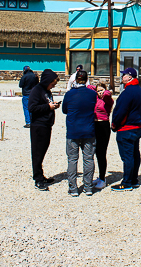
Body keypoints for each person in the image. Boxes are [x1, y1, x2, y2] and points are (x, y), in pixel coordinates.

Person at [62, 69, 97, 197]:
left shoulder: (70, 94)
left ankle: (73, 188)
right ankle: (88, 187)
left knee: (72, 159)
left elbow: (65, 110)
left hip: (73, 130)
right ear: (87, 80)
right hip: (88, 129)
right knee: (88, 159)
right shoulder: (92, 94)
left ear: (76, 79)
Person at [110, 67, 141, 191]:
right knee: (135, 154)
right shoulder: (139, 91)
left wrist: (115, 123)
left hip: (126, 128)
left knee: (127, 156)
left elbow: (121, 111)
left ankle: (127, 182)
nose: (122, 77)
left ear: (130, 77)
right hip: (136, 127)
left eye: (124, 75)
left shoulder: (128, 92)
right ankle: (134, 179)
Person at [29, 69, 60, 191]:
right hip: (38, 126)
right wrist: (48, 107)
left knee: (42, 151)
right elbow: (32, 107)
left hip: (47, 125)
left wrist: (53, 105)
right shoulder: (36, 90)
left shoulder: (47, 91)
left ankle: (41, 175)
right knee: (37, 153)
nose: (53, 86)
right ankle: (38, 178)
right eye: (52, 84)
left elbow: (47, 103)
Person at [88, 82, 113, 190]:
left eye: (102, 90)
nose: (100, 92)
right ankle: (98, 177)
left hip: (103, 125)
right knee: (93, 151)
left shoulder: (107, 100)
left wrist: (105, 91)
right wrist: (96, 89)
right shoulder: (95, 99)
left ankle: (103, 178)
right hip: (94, 125)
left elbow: (107, 94)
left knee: (101, 152)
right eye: (98, 91)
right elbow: (88, 87)